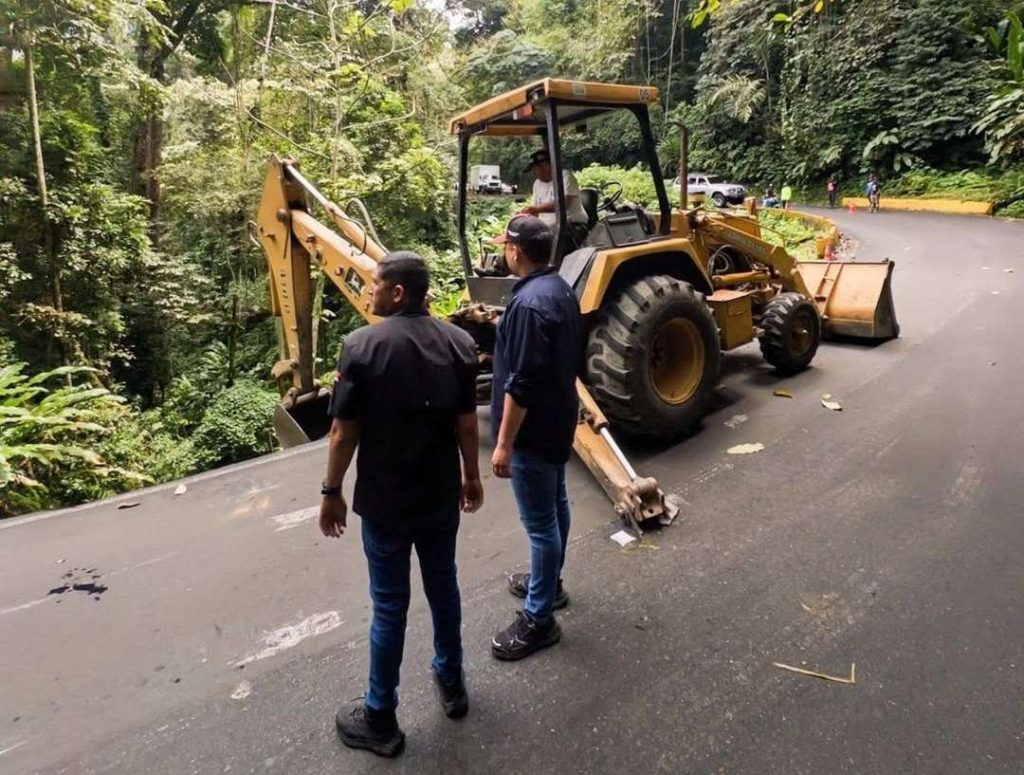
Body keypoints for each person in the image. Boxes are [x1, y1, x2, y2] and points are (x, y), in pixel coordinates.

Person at [320, 251, 483, 758]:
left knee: (390, 607)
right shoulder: (459, 342)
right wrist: (471, 477)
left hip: (386, 502)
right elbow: (467, 422)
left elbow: (343, 433)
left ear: (396, 292)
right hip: (439, 497)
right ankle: (451, 684)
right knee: (443, 589)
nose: (368, 291)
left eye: (374, 284)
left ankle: (381, 717)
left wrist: (331, 492)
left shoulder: (361, 347)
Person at [489, 215, 582, 661]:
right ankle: (552, 582)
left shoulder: (527, 306)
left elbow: (521, 383)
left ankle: (539, 618)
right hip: (558, 418)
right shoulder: (561, 288)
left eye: (506, 246)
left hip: (533, 427)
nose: (504, 251)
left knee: (541, 525)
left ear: (516, 252)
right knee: (556, 503)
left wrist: (504, 442)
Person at [520, 149, 590, 247]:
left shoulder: (565, 177)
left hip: (571, 227)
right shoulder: (537, 184)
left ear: (547, 165)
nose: (535, 172)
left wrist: (535, 208)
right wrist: (524, 218)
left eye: (536, 168)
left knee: (551, 246)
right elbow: (535, 212)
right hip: (547, 231)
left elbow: (563, 204)